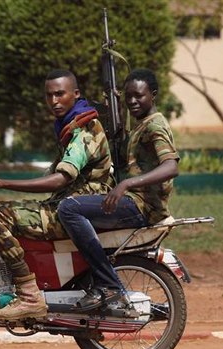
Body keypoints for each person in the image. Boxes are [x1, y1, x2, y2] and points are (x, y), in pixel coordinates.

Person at [0, 69, 114, 321]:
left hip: (75, 209)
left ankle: (29, 297)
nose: (54, 101)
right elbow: (54, 173)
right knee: (7, 209)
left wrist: (3, 183)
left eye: (60, 94)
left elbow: (61, 178)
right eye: (49, 95)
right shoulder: (69, 125)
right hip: (68, 203)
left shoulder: (84, 129)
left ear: (75, 94)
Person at [57, 68, 179, 311]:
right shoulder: (140, 125)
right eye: (128, 96)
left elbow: (170, 166)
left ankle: (107, 283)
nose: (133, 101)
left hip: (142, 206)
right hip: (135, 200)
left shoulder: (155, 126)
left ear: (153, 96)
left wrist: (126, 184)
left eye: (139, 96)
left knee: (69, 209)